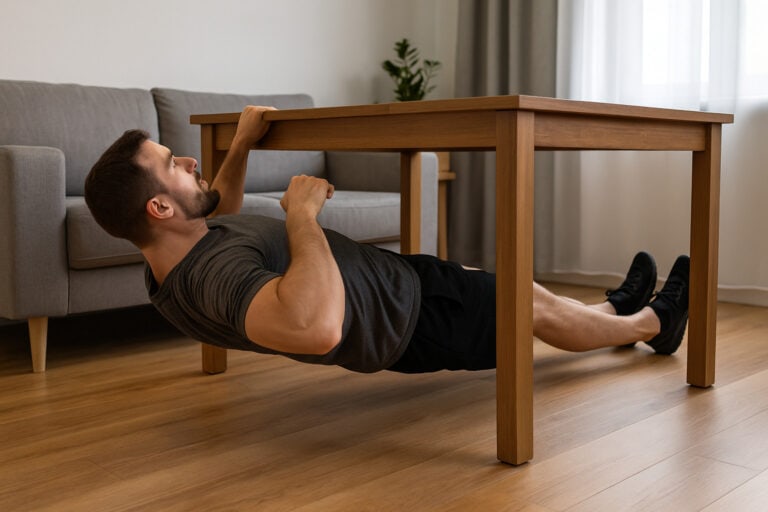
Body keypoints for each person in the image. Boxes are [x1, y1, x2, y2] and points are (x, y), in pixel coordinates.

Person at [84, 106, 690, 374]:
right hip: (412, 320)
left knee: (529, 296)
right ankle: (654, 326)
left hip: (397, 288)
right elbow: (314, 328)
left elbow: (227, 213)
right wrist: (302, 216)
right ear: (160, 206)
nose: (191, 160)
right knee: (529, 303)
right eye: (172, 162)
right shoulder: (214, 276)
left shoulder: (182, 254)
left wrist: (241, 142)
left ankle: (615, 307)